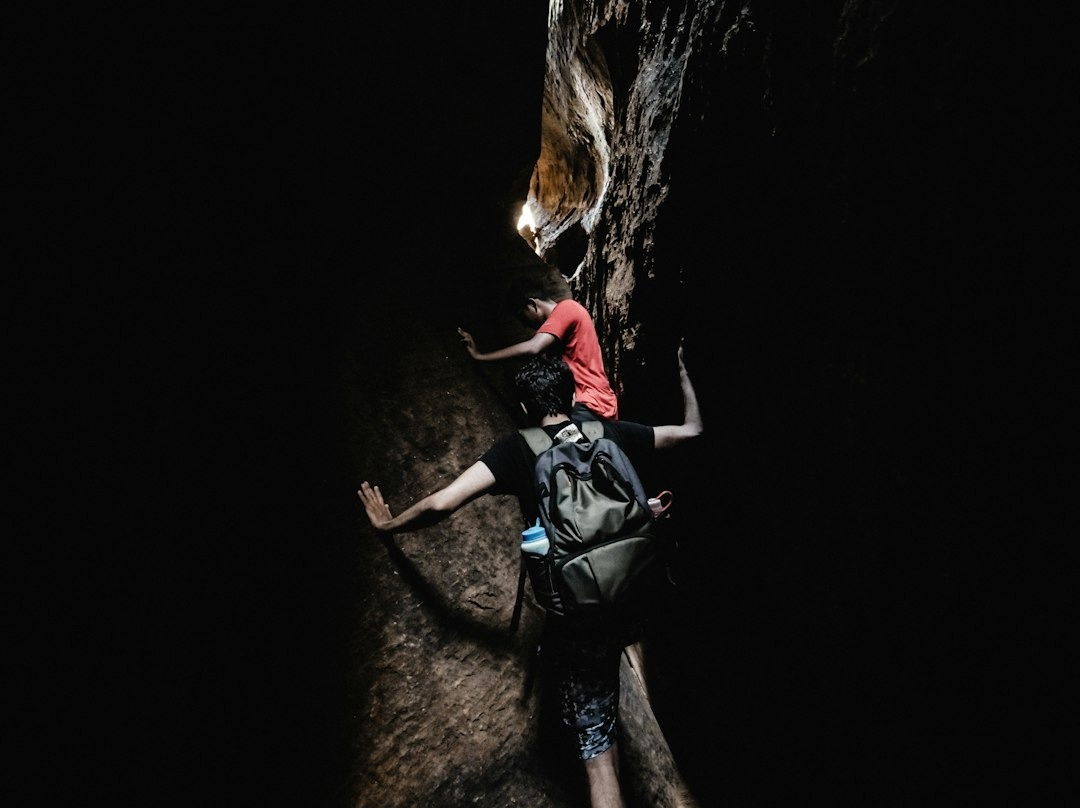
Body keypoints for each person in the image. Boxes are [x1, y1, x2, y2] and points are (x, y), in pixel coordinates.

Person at [357, 345, 702, 808]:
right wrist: (684, 373)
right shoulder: (608, 432)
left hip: (582, 618)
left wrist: (389, 524)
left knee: (597, 757)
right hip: (637, 598)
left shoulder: (518, 449)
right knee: (609, 698)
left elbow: (444, 502)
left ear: (522, 409)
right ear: (572, 392)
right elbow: (692, 431)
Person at [457, 277, 619, 420]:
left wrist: (481, 356)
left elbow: (534, 347)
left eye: (522, 317)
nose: (525, 325)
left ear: (532, 305)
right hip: (593, 404)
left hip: (589, 404)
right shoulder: (557, 335)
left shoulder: (567, 308)